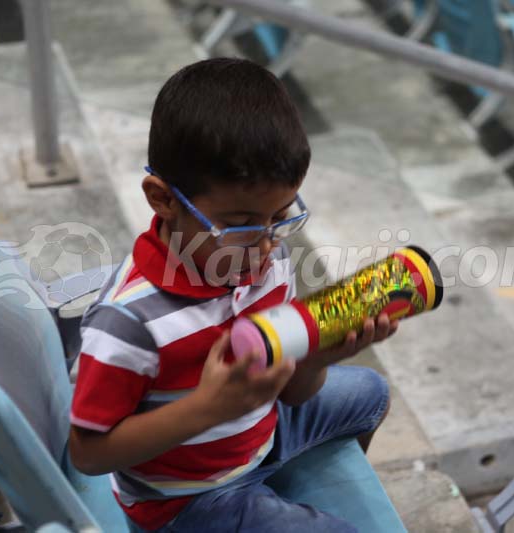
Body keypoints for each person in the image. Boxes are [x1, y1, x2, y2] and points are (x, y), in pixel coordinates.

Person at [69, 57, 398, 533]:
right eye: (241, 223)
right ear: (163, 198)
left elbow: (293, 390)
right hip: (185, 499)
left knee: (371, 393)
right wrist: (208, 408)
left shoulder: (268, 261)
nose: (266, 243)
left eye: (280, 216)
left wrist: (314, 360)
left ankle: (286, 486)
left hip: (259, 433)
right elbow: (88, 454)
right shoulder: (128, 321)